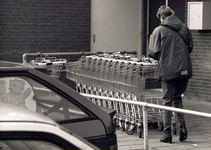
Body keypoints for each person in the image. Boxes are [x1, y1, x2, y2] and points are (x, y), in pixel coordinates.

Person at [148, 5, 193, 143]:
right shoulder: (184, 28)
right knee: (178, 98)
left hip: (168, 70)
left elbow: (153, 52)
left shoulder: (159, 30)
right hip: (184, 69)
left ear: (161, 16)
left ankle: (167, 133)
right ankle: (183, 128)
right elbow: (190, 47)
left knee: (167, 101)